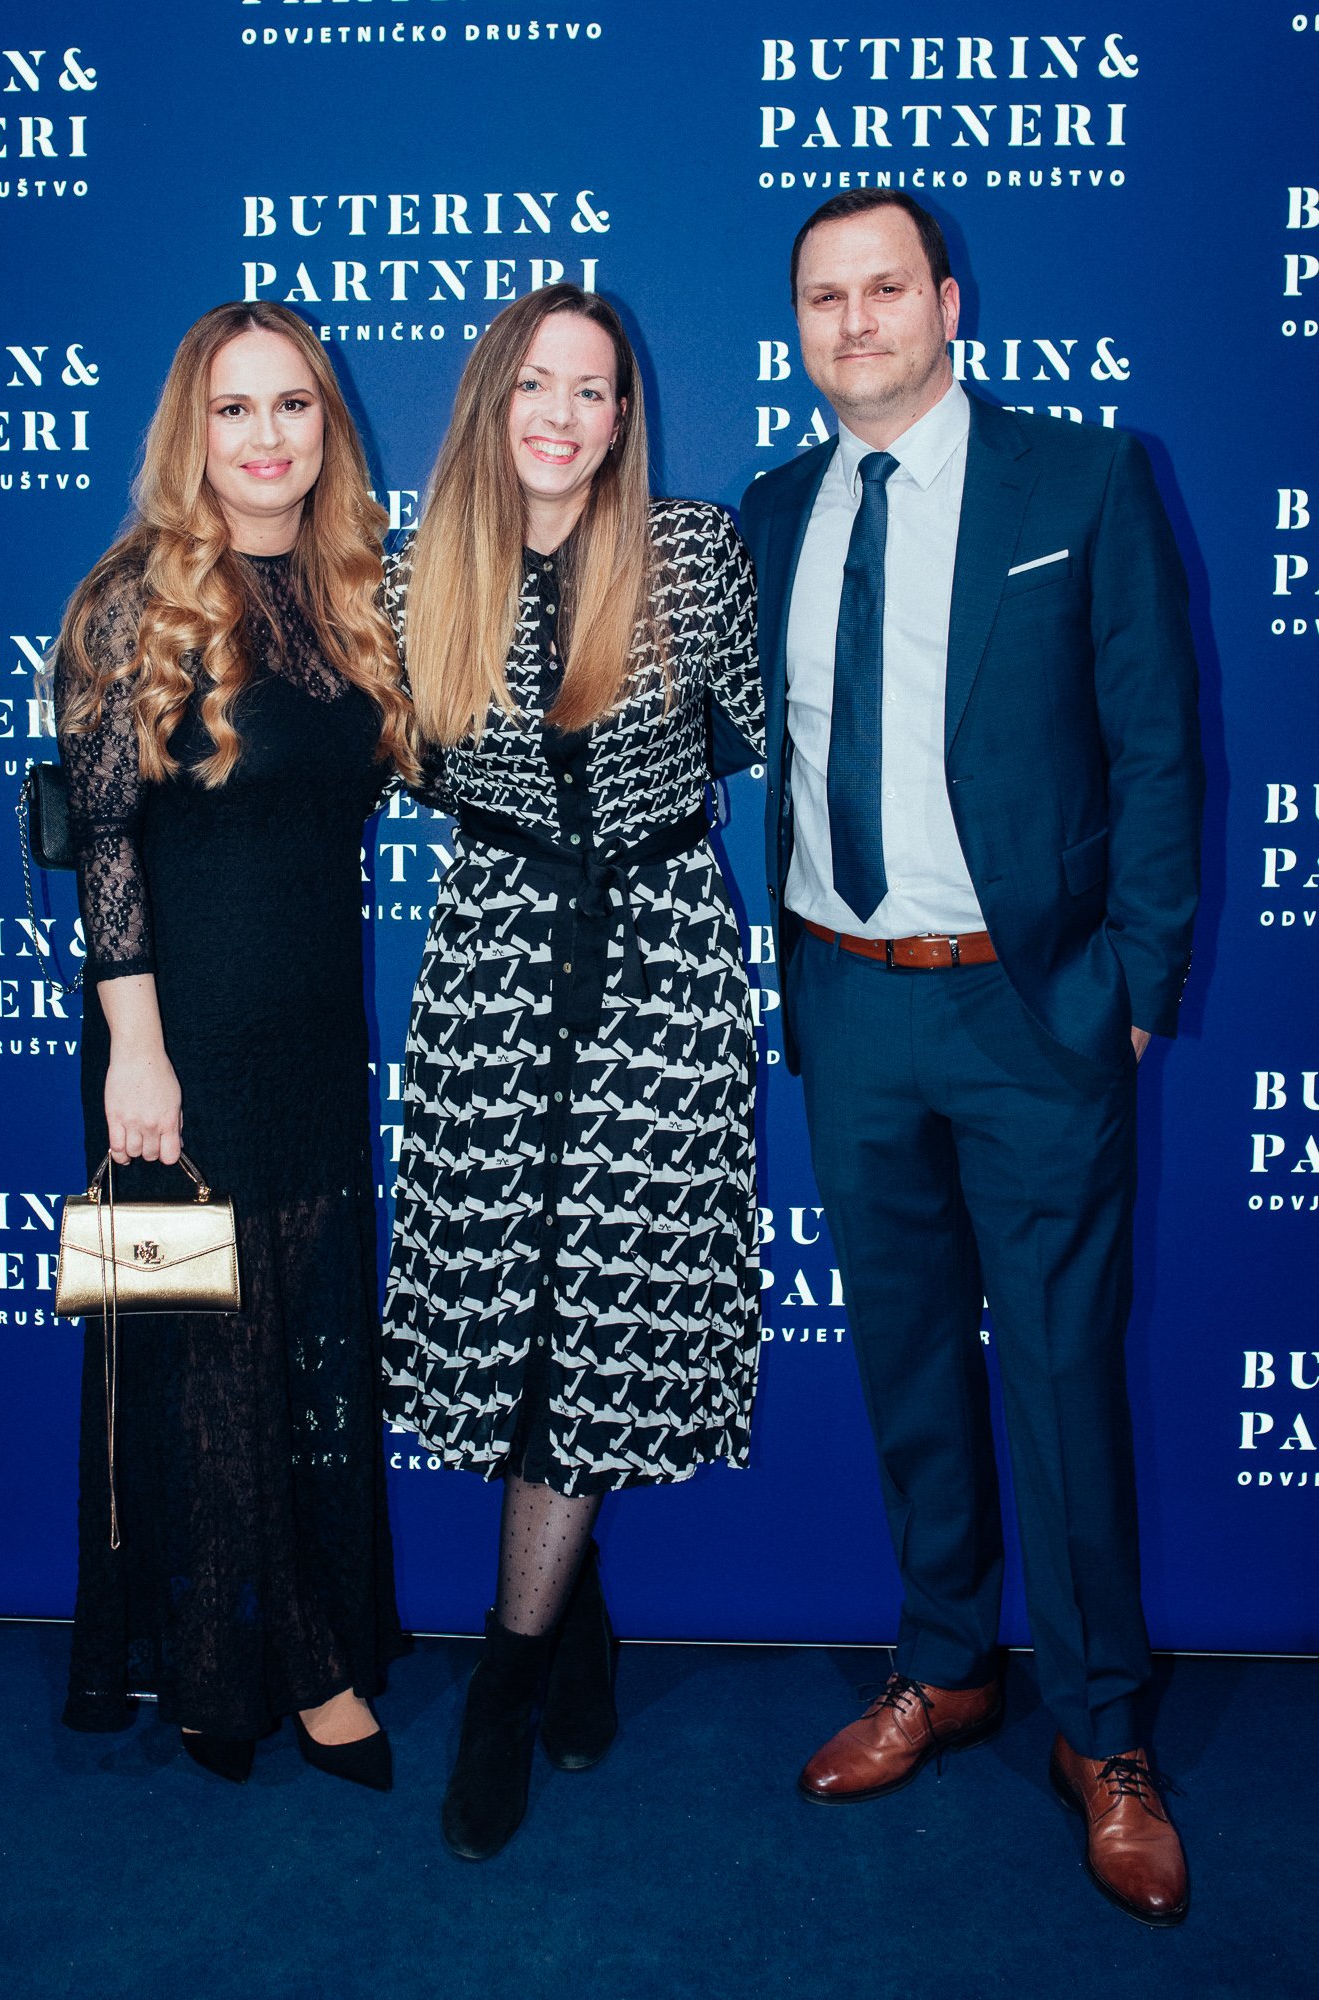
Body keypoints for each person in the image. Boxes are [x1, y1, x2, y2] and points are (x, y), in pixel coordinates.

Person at [740, 191, 1203, 1926]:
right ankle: (945, 1664)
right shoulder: (771, 513)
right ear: (797, 326)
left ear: (947, 304)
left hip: (1033, 1004)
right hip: (848, 1003)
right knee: (910, 1356)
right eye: (820, 299)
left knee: (1064, 1373)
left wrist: (1136, 983)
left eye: (882, 290)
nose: (853, 322)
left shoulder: (1079, 481)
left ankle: (1104, 1727)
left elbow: (1158, 748)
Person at [384, 284, 765, 1859]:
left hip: (659, 974)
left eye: (592, 391)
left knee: (593, 1330)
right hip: (492, 972)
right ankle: (578, 1624)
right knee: (516, 1329)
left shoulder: (689, 557)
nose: (561, 413)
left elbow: (750, 746)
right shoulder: (416, 580)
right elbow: (401, 766)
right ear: (493, 402)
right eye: (535, 384)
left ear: (624, 417)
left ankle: (505, 1681)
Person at [54, 301, 415, 1790]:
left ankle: (313, 1642)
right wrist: (137, 1050)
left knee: (307, 1350)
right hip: (176, 1040)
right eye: (235, 410)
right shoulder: (128, 600)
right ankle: (219, 1664)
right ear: (189, 434)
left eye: (295, 408)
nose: (268, 439)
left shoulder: (348, 591)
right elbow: (105, 841)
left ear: (326, 429)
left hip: (316, 1035)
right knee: (199, 1350)